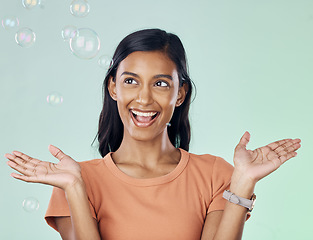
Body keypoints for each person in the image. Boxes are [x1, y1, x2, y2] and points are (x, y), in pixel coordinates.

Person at [5, 28, 301, 240]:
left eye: (160, 83)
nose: (144, 99)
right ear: (113, 88)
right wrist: (75, 189)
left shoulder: (216, 175)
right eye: (131, 80)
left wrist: (243, 181)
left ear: (181, 93)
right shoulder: (75, 181)